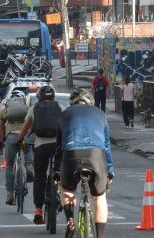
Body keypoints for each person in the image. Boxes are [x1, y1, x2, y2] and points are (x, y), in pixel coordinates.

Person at [54, 88, 114, 238]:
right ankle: (100, 235)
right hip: (96, 155)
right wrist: (110, 170)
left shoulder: (64, 115)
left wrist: (56, 173)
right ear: (90, 102)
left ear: (72, 103)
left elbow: (59, 148)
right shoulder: (100, 114)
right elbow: (106, 146)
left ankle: (70, 221)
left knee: (67, 190)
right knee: (99, 198)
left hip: (71, 154)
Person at [17, 85, 62, 225]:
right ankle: (59, 192)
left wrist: (20, 140)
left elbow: (25, 127)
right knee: (60, 171)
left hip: (41, 147)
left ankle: (38, 209)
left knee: (40, 177)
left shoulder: (34, 109)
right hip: (57, 146)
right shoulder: (59, 108)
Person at [0, 90, 34, 205]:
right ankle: (29, 166)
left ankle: (10, 193)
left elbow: (0, 129)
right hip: (25, 136)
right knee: (27, 153)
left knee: (9, 165)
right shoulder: (27, 109)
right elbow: (32, 125)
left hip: (11, 137)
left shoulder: (5, 110)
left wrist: (0, 142)